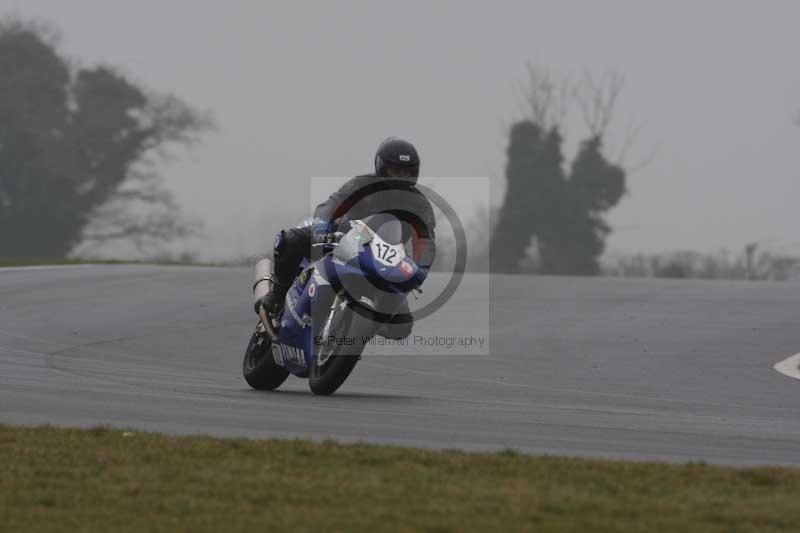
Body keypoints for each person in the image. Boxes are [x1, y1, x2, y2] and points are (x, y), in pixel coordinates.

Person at [255, 137, 436, 339]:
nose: (401, 177)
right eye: (395, 171)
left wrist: (420, 269)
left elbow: (426, 242)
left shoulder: (420, 204)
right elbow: (333, 204)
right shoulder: (362, 184)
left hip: (384, 260)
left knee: (401, 327)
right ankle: (277, 295)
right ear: (381, 167)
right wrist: (322, 224)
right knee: (290, 241)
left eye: (407, 172)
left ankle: (358, 332)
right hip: (341, 239)